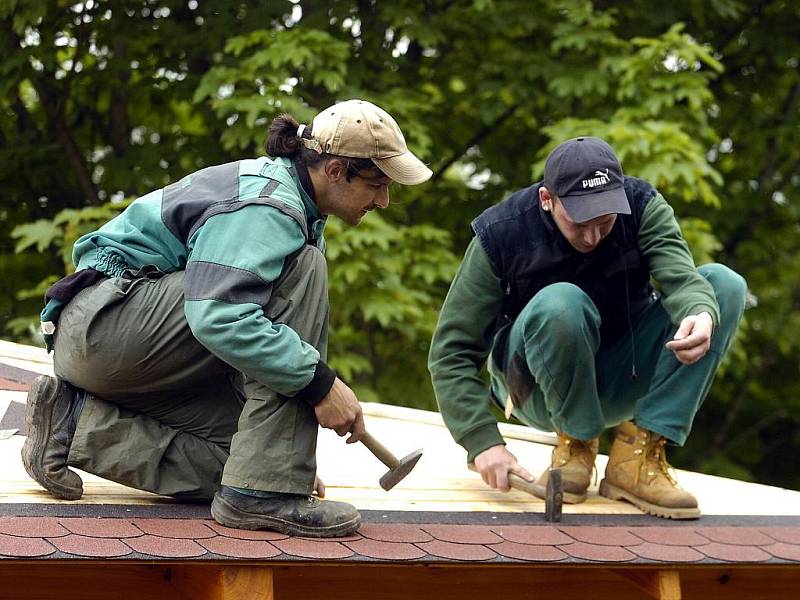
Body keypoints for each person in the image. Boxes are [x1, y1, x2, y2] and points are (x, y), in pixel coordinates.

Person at [22, 99, 432, 537]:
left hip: (124, 346)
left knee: (242, 460)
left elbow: (238, 345)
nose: (384, 201)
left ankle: (73, 424)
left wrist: (275, 457)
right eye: (378, 184)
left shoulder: (297, 207)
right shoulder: (268, 205)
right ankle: (266, 495)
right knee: (304, 267)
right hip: (106, 325)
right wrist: (321, 385)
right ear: (334, 170)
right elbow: (219, 317)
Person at [428, 137, 746, 519]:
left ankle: (637, 456)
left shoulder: (642, 206)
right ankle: (575, 445)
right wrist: (481, 441)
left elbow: (682, 279)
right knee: (562, 300)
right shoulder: (501, 234)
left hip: (620, 373)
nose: (593, 237)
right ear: (547, 199)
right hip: (536, 389)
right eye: (579, 223)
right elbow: (451, 354)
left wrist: (700, 312)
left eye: (605, 222)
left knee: (723, 287)